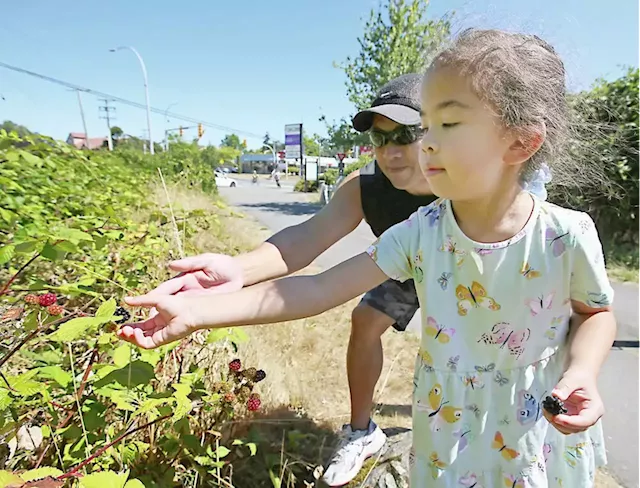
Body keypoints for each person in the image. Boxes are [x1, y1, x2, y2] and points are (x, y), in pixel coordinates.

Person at [119, 29, 616, 487]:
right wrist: (198, 311)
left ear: (520, 142)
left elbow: (595, 312)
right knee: (365, 319)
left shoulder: (565, 233)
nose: (421, 145)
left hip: (534, 428)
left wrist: (582, 373)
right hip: (449, 418)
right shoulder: (418, 229)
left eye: (443, 124)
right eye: (416, 127)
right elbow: (315, 283)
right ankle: (362, 430)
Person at [125, 73, 436, 486]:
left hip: (474, 280)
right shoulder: (367, 189)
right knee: (365, 320)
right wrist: (235, 273)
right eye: (381, 139)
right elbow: (306, 244)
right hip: (402, 265)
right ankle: (362, 432)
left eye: (405, 135)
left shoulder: (465, 195)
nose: (391, 151)